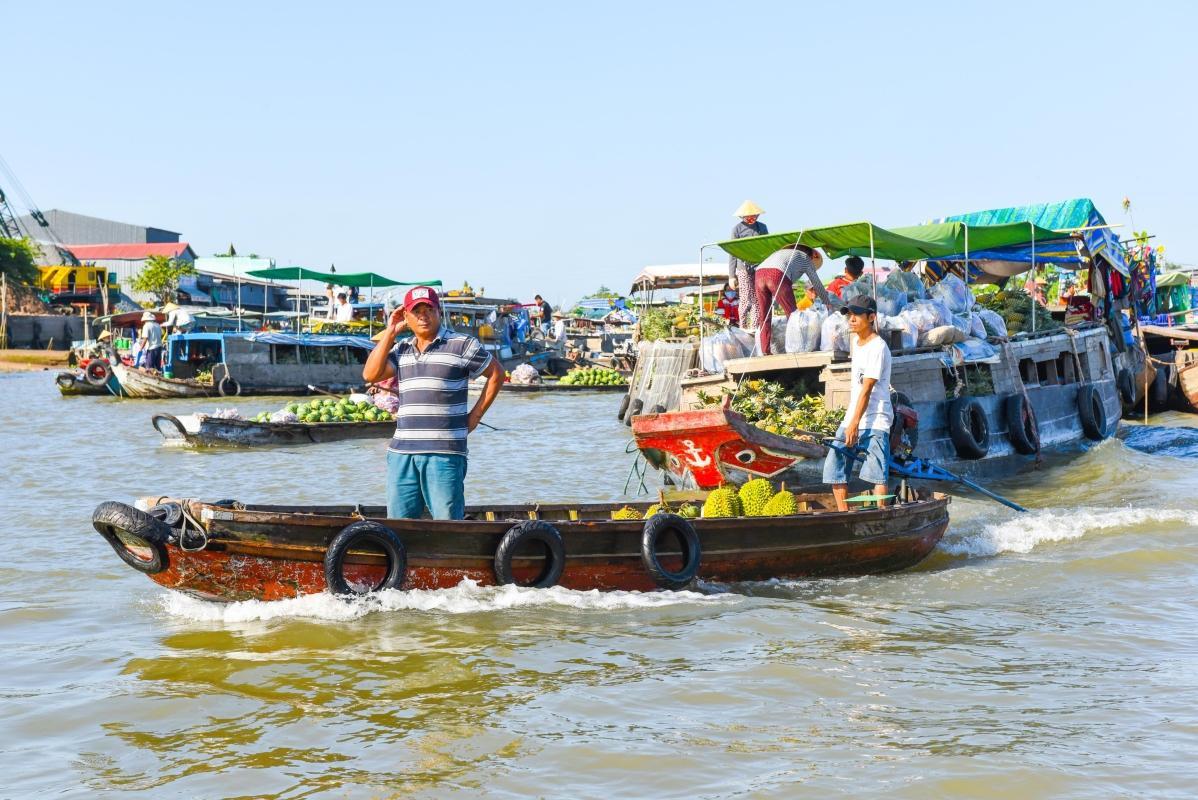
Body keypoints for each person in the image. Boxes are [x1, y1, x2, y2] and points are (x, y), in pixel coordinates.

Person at [362, 285, 504, 520]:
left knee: (447, 524)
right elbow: (370, 374)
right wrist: (390, 332)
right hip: (402, 453)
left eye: (428, 309)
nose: (423, 316)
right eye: (415, 311)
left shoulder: (461, 345)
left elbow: (496, 374)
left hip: (444, 453)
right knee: (399, 526)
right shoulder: (401, 349)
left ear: (439, 312)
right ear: (406, 317)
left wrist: (475, 417)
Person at [822, 296, 893, 512]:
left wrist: (854, 423)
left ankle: (881, 516)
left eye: (857, 315)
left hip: (876, 417)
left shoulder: (878, 347)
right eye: (849, 315)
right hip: (854, 415)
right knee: (835, 463)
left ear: (871, 317)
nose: (851, 319)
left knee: (877, 472)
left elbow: (867, 389)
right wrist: (851, 421)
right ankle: (844, 515)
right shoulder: (856, 343)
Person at [753, 244, 833, 355]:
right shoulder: (805, 258)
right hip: (777, 274)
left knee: (764, 316)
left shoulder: (783, 255)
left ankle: (765, 351)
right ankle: (797, 348)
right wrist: (827, 302)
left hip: (759, 274)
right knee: (794, 316)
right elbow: (816, 282)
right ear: (813, 255)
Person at [728, 200, 768, 331]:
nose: (751, 219)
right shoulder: (737, 230)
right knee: (746, 298)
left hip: (759, 267)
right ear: (742, 217)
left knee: (757, 298)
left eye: (754, 217)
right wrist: (731, 276)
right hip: (743, 268)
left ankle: (755, 327)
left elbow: (766, 247)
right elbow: (732, 253)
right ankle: (743, 326)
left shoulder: (762, 227)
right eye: (748, 217)